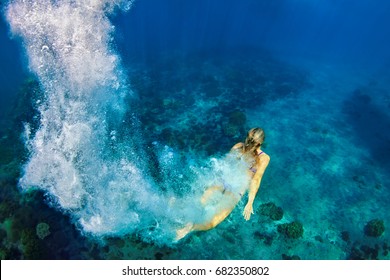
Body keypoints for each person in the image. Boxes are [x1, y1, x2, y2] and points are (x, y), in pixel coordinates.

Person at [175, 127, 270, 240]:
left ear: (247, 137)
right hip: (235, 191)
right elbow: (256, 179)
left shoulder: (238, 146)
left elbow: (223, 165)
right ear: (261, 142)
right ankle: (189, 228)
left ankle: (176, 205)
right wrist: (250, 202)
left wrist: (210, 181)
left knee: (199, 204)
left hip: (222, 181)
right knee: (213, 222)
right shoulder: (264, 158)